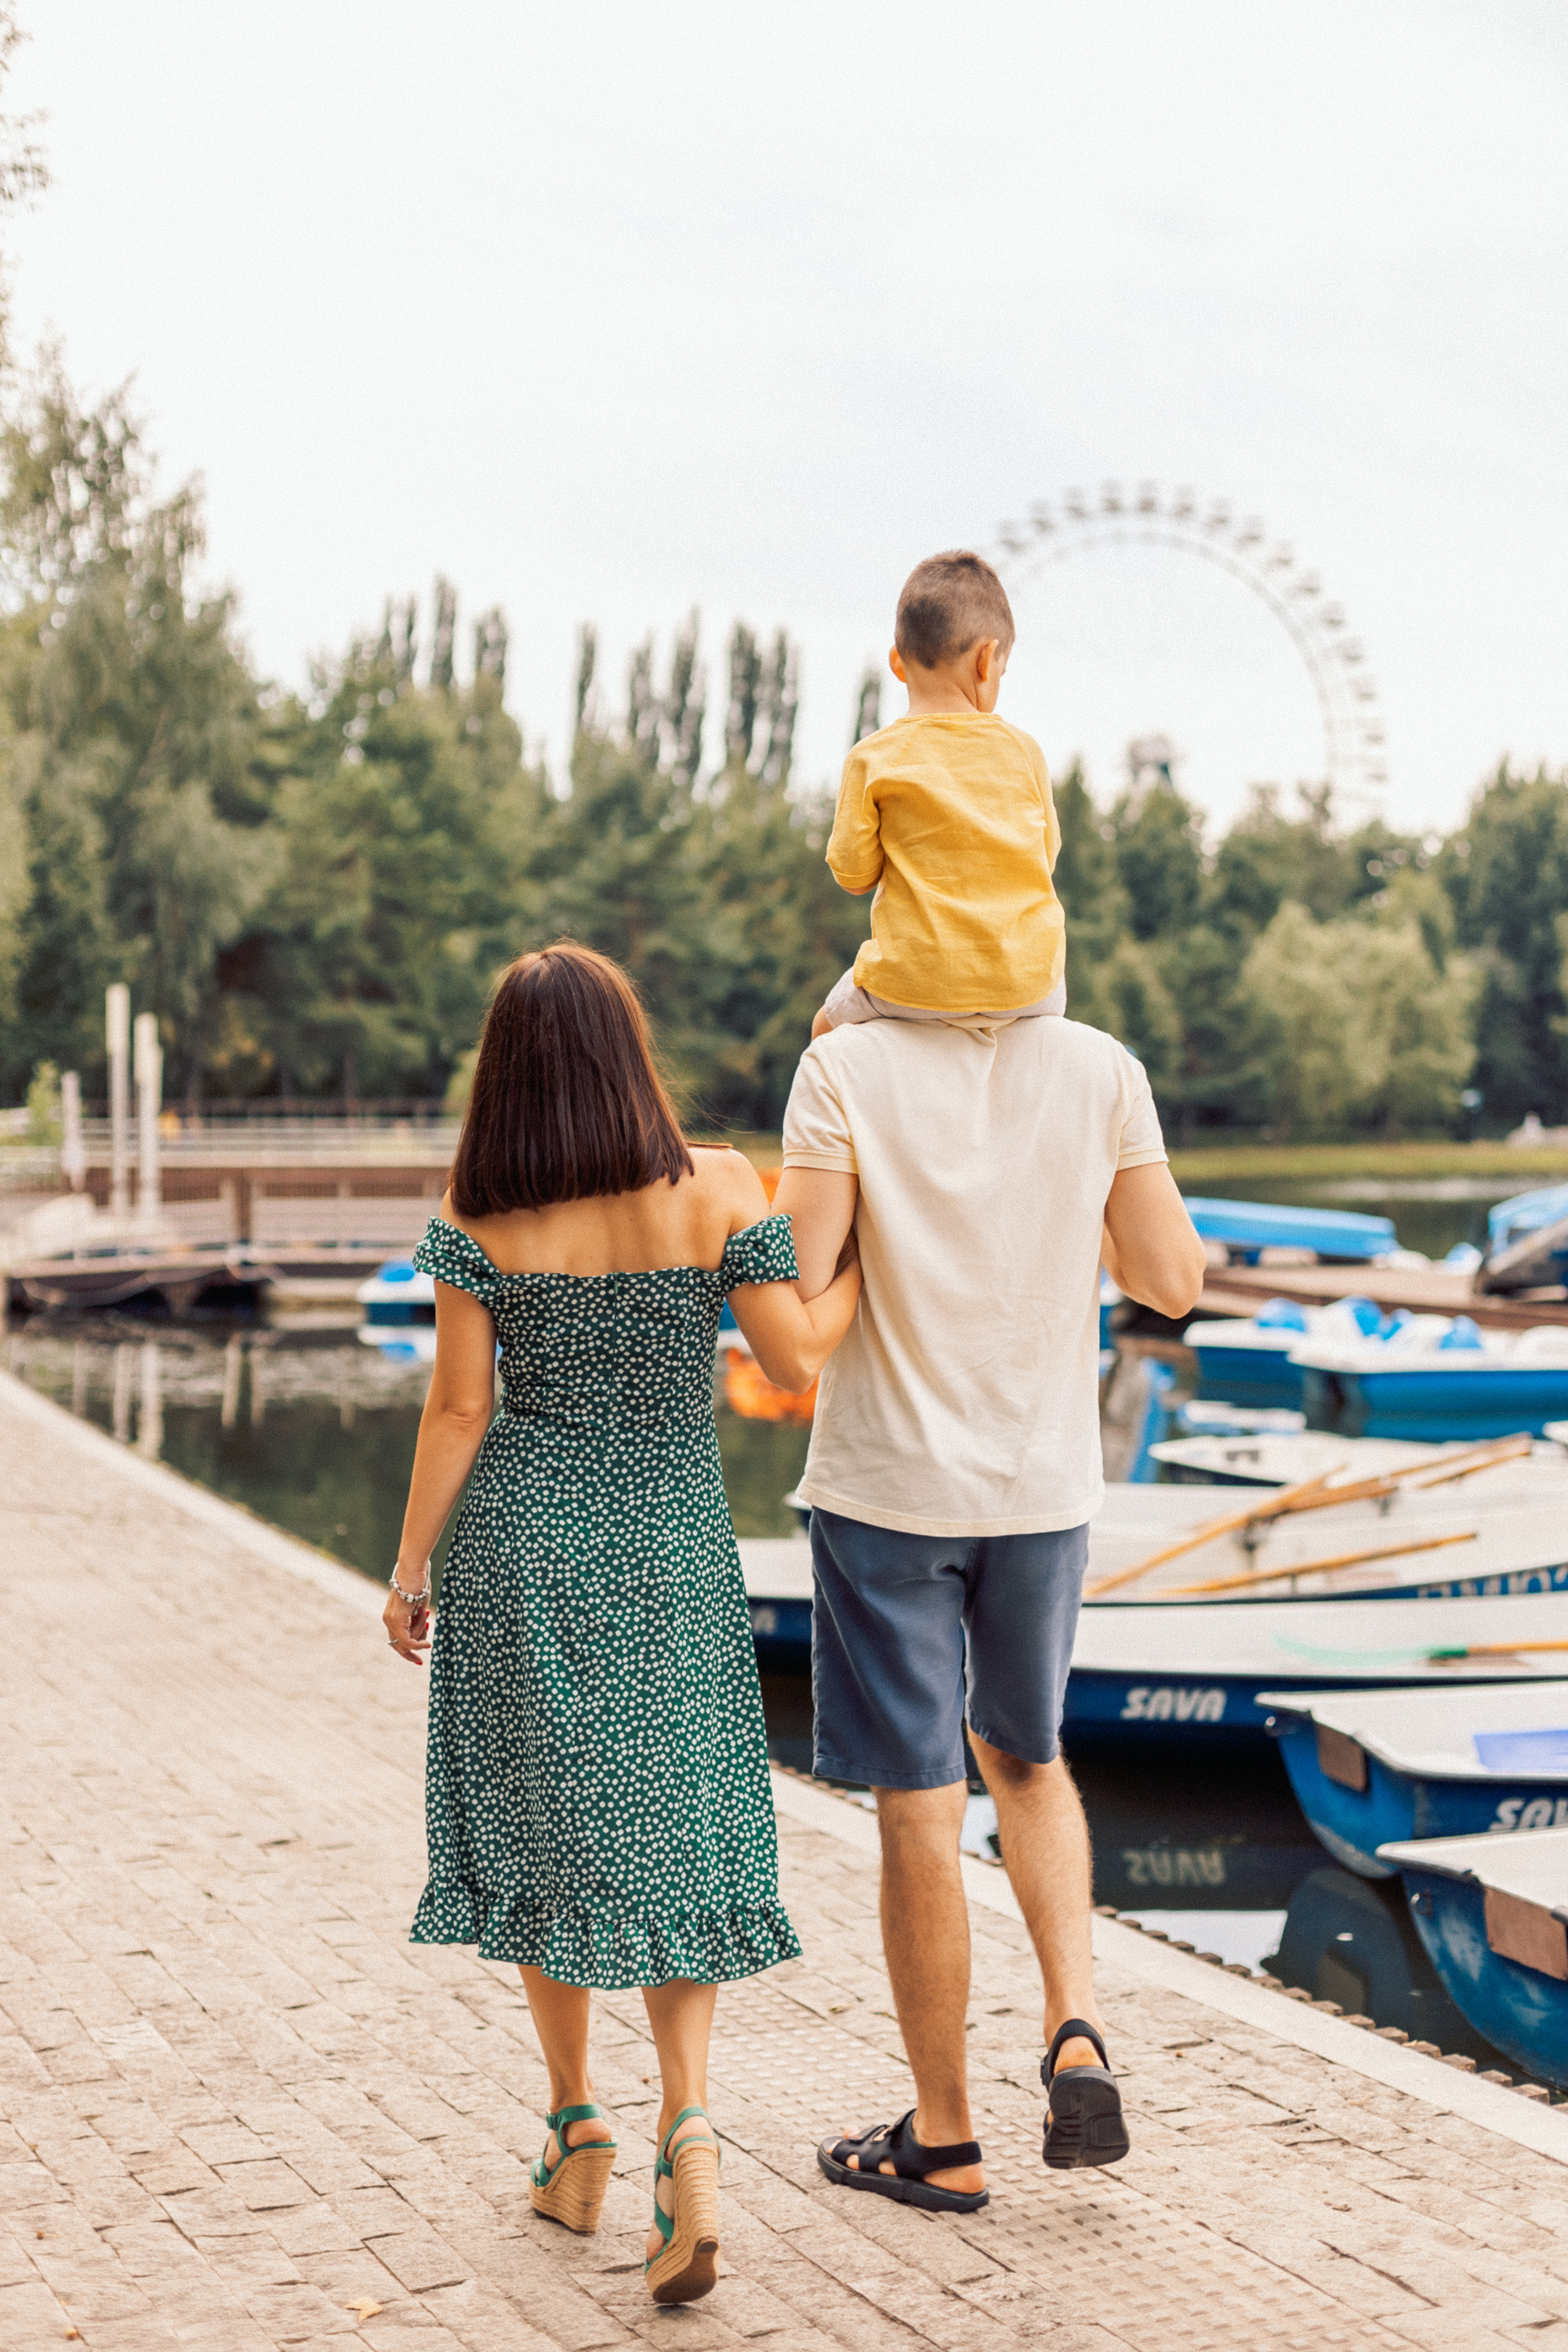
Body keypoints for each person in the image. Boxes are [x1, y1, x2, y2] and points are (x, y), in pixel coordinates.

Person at [383, 943, 861, 2307]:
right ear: (627, 1050)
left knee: (550, 1831)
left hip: (525, 1545)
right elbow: (796, 1358)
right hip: (669, 1544)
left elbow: (460, 1411)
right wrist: (874, 1258)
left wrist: (411, 1569)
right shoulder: (718, 1184)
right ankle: (689, 2129)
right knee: (675, 1831)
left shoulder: (478, 1215)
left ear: (507, 1075)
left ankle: (574, 2122)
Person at [772, 1007, 1207, 2210]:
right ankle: (1075, 2024)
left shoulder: (842, 1064)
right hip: (1042, 1483)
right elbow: (1173, 1281)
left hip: (889, 1491)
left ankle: (949, 2139)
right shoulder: (1103, 1066)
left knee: (921, 1804)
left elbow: (798, 1283)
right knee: (1027, 1757)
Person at [815, 549, 1066, 1036]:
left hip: (910, 987)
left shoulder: (871, 759)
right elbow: (1045, 859)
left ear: (897, 663)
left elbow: (852, 875)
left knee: (825, 1032)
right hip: (1033, 987)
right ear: (986, 660)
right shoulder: (1026, 752)